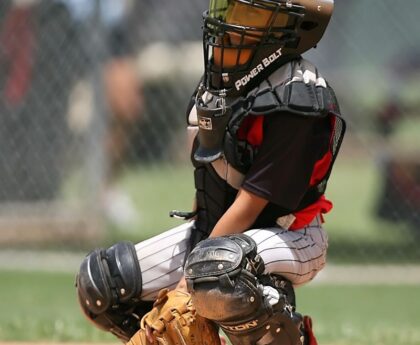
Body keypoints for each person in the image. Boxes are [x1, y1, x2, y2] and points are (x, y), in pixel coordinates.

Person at [76, 1, 346, 344]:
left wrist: (185, 284)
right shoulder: (226, 79)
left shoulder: (299, 98)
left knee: (218, 270)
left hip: (294, 236)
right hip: (219, 235)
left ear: (290, 30)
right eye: (229, 8)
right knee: (102, 283)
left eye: (249, 14)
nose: (230, 23)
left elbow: (252, 204)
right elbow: (212, 178)